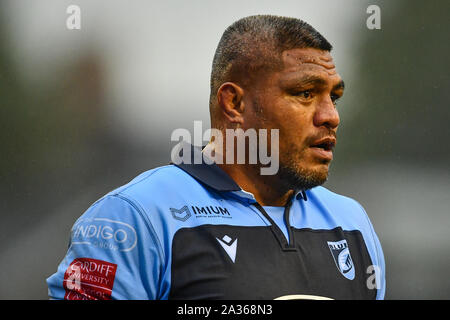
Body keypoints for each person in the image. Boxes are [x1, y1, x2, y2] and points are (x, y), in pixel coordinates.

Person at [47, 15, 385, 300]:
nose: (330, 116)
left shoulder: (352, 222)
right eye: (305, 93)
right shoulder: (133, 218)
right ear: (234, 104)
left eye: (334, 97)